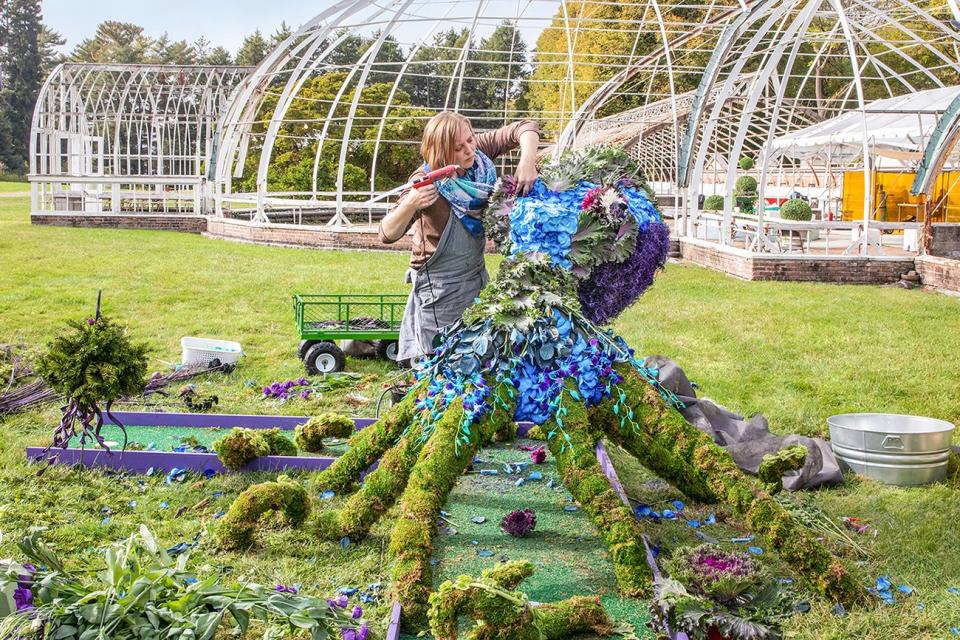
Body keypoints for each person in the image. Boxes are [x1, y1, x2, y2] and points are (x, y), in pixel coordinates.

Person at [379, 112, 540, 364]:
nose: (469, 150)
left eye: (470, 140)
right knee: (443, 361)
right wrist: (410, 204)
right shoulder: (427, 181)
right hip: (440, 290)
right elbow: (386, 233)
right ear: (441, 152)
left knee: (478, 355)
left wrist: (527, 161)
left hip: (475, 277)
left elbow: (525, 127)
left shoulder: (477, 157)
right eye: (458, 147)